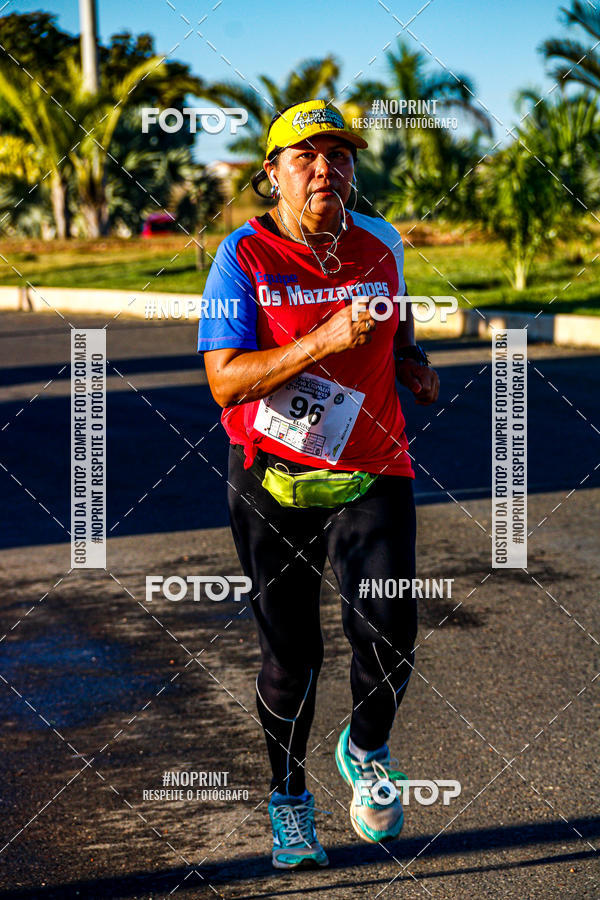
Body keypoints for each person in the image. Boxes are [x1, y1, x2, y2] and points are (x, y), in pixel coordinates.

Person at [197, 99, 440, 869]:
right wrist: (323, 338)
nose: (324, 169)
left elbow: (399, 326)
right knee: (290, 655)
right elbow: (224, 381)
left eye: (338, 155)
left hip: (373, 463)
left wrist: (411, 362)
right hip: (273, 476)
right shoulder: (242, 257)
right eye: (305, 157)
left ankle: (366, 748)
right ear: (272, 175)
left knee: (390, 632)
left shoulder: (383, 243)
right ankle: (289, 799)